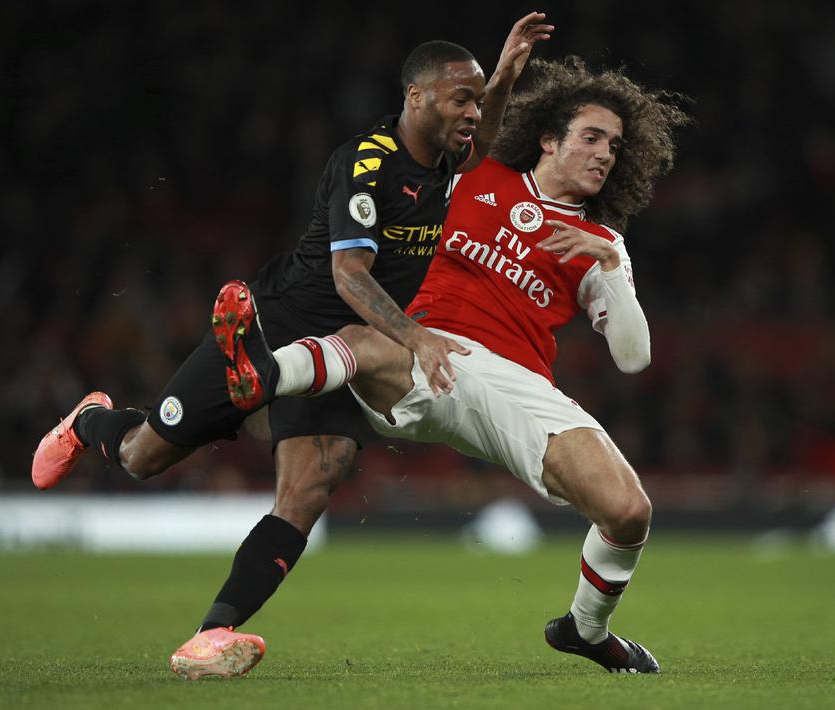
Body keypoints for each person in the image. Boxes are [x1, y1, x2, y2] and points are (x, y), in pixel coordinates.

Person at [30, 14, 553, 680]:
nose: (475, 113)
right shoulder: (365, 165)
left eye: (479, 101)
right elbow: (348, 275)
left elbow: (481, 144)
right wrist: (414, 335)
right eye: (462, 99)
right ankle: (89, 422)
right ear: (415, 98)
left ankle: (209, 634)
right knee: (142, 458)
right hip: (276, 323)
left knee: (311, 485)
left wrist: (504, 75)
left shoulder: (452, 159)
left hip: (348, 353)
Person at [211, 56, 690, 673]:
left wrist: (607, 262)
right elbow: (446, 136)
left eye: (615, 146)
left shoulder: (599, 243)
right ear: (548, 138)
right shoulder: (476, 178)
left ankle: (585, 630)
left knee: (629, 513)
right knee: (360, 338)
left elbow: (633, 358)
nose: (605, 154)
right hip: (425, 352)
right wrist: (500, 81)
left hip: (513, 390)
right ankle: (261, 373)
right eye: (591, 137)